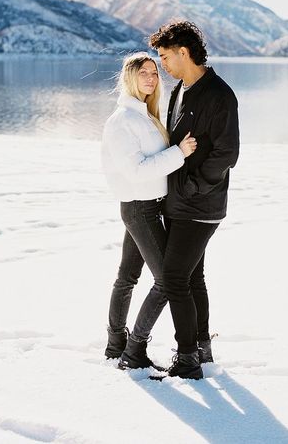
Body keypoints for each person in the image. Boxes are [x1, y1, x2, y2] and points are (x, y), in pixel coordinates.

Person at [149, 20, 240, 380]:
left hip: (199, 207)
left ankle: (187, 359)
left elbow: (226, 154)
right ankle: (201, 347)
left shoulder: (218, 94)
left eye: (165, 56)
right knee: (192, 278)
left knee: (173, 279)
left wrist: (192, 188)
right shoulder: (181, 89)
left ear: (183, 52)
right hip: (179, 203)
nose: (162, 65)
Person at [101, 51, 197, 370]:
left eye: (154, 73)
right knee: (167, 281)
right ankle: (133, 349)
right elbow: (138, 170)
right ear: (129, 76)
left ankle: (116, 344)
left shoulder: (146, 115)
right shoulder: (122, 121)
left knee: (127, 277)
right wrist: (178, 153)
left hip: (147, 206)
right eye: (143, 72)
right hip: (140, 208)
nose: (151, 78)